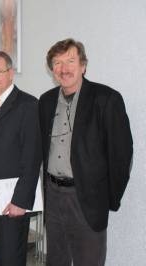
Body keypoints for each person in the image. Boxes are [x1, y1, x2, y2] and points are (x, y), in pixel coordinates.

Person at [39, 38, 133, 266]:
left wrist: (109, 198)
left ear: (83, 65)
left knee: (89, 261)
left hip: (87, 198)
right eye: (57, 63)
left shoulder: (106, 99)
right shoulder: (46, 101)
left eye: (71, 60)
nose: (64, 68)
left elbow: (122, 155)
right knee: (56, 260)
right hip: (52, 195)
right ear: (52, 70)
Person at [0, 51, 42, 266]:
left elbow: (32, 157)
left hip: (13, 201)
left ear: (11, 73)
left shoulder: (28, 105)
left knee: (12, 258)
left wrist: (20, 201)